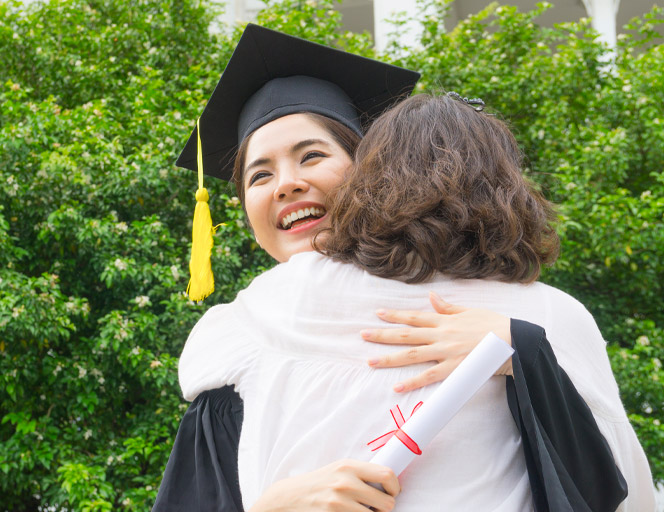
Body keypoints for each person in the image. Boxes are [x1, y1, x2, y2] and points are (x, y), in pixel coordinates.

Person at [156, 25, 649, 512]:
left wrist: (526, 350)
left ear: (368, 172)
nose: (286, 184)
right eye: (260, 175)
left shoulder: (535, 318)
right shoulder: (249, 332)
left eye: (313, 156)